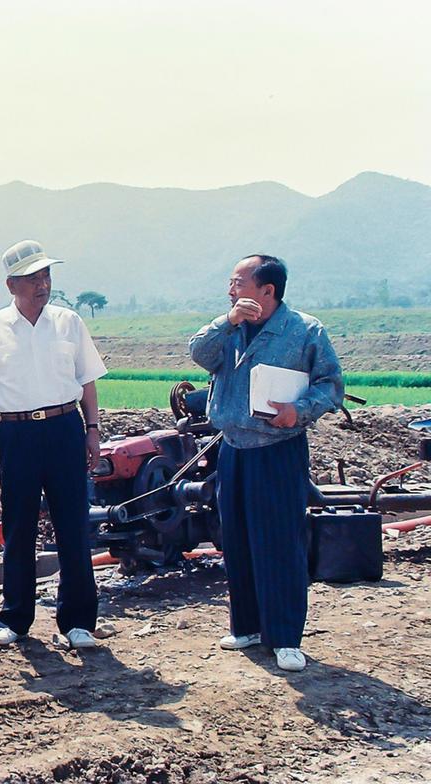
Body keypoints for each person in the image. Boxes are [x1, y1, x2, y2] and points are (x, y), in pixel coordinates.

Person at [189, 254, 343, 673]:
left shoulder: (305, 331)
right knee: (236, 540)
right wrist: (228, 320)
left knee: (278, 542)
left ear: (267, 290)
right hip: (234, 447)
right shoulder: (231, 329)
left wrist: (301, 408)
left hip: (277, 448)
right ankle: (248, 627)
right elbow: (198, 353)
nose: (231, 289)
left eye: (238, 282)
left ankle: (285, 637)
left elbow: (331, 384)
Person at [0, 240, 105, 649]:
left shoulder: (69, 322)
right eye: (32, 278)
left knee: (73, 525)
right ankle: (15, 619)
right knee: (18, 527)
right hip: (18, 434)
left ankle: (78, 621)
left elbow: (87, 379)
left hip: (64, 428)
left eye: (46, 276)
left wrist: (92, 429)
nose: (42, 284)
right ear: (11, 285)